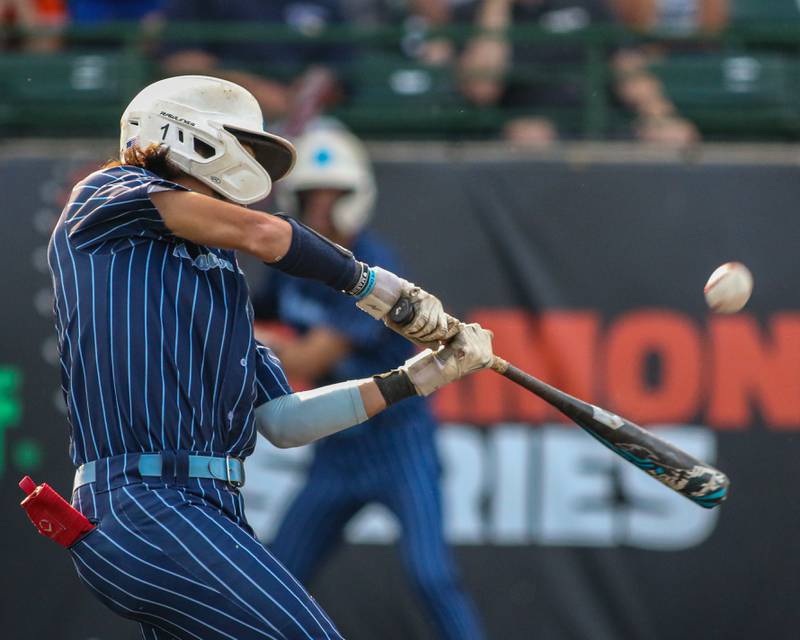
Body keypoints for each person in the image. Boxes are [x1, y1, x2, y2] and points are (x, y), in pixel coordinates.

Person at [48, 74, 495, 640]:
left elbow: (283, 421)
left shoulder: (217, 275)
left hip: (206, 509)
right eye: (240, 140)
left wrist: (421, 376)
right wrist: (377, 289)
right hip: (146, 503)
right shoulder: (107, 195)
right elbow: (264, 234)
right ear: (183, 133)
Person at [252, 121, 486, 640]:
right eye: (312, 197)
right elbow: (247, 313)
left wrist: (254, 340)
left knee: (432, 575)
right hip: (337, 449)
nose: (320, 210)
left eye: (333, 197)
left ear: (357, 199)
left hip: (399, 443)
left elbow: (313, 357)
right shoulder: (290, 265)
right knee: (277, 575)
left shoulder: (375, 265)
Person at [457, 0, 699, 146]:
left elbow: (628, 67)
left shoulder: (587, 3)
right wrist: (497, 5)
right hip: (531, 130)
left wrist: (658, 113)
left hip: (600, 124)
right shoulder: (476, 14)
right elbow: (482, 89)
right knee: (531, 138)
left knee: (674, 136)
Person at [160, 0, 352, 122]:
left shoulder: (327, 5)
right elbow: (179, 60)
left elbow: (344, 70)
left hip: (305, 120)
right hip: (217, 115)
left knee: (328, 160)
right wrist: (250, 89)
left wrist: (307, 95)